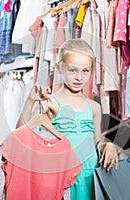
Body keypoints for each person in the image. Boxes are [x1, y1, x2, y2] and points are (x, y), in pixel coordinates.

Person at [16, 38, 118, 199]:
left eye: (85, 71)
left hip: (90, 177)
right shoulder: (51, 103)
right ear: (59, 68)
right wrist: (30, 101)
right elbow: (20, 135)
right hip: (61, 179)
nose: (79, 77)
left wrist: (108, 146)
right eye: (72, 70)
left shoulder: (94, 107)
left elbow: (97, 140)